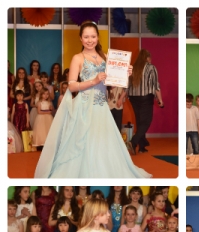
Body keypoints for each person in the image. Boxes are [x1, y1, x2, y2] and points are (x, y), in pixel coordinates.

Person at [35, 23, 150, 178]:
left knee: (102, 142)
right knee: (84, 143)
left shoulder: (105, 57)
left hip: (102, 107)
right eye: (86, 37)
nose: (90, 40)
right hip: (84, 107)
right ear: (80, 38)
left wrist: (125, 73)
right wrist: (94, 81)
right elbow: (72, 86)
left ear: (98, 37)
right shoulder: (77, 58)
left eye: (93, 36)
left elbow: (110, 83)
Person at [128, 49, 163, 154]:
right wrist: (160, 100)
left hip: (133, 98)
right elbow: (156, 85)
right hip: (145, 97)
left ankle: (142, 147)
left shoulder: (133, 68)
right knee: (146, 121)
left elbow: (127, 85)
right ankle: (133, 142)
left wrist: (122, 98)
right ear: (147, 58)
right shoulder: (151, 68)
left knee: (139, 122)